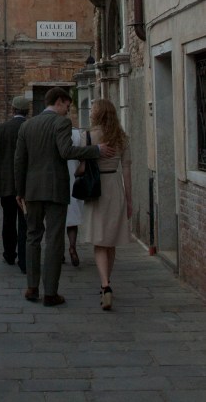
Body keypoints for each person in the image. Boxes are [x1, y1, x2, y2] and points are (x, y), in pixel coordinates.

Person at [14, 86, 115, 307]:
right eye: (68, 107)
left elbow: (19, 161)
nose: (68, 112)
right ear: (58, 102)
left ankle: (32, 288)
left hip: (32, 189)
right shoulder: (61, 123)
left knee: (32, 237)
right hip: (55, 189)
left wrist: (20, 191)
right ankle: (50, 293)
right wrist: (95, 150)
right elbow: (66, 151)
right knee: (53, 240)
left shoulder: (27, 125)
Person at [82, 98, 132, 311]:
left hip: (96, 188)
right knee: (110, 241)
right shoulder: (121, 138)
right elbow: (127, 171)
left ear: (97, 114)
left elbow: (81, 167)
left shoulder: (90, 136)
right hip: (115, 187)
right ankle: (107, 283)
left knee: (100, 241)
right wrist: (130, 200)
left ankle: (105, 284)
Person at [0, 96, 30, 273]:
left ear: (12, 110)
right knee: (25, 222)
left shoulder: (0, 130)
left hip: (6, 183)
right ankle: (24, 258)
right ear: (27, 111)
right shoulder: (30, 128)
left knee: (9, 220)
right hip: (27, 184)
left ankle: (9, 253)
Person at [65, 126, 85, 266]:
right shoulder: (77, 134)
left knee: (56, 220)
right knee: (72, 220)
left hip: (55, 182)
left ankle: (58, 251)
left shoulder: (50, 131)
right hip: (73, 180)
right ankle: (72, 247)